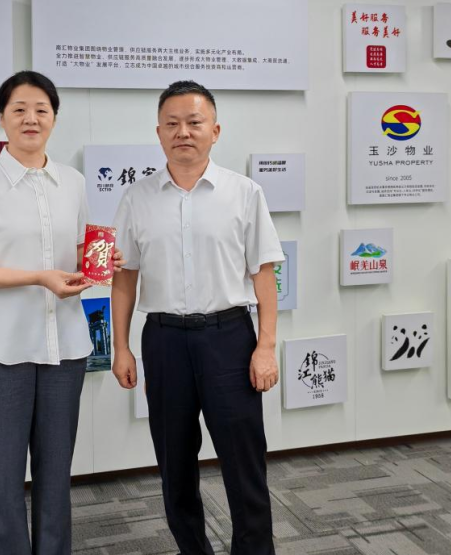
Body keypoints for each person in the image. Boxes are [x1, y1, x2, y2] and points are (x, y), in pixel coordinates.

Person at [0, 71, 122, 555]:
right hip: (1, 349)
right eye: (19, 109)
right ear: (2, 118)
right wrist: (39, 277)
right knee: (4, 477)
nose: (31, 118)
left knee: (55, 474)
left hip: (64, 347)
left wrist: (101, 261)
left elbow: (76, 253)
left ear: (54, 119)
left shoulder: (73, 182)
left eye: (41, 109)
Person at [111, 80, 283, 555]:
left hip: (229, 339)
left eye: (193, 122)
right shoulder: (136, 198)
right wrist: (121, 347)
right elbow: (124, 278)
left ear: (215, 130)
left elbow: (264, 275)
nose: (182, 132)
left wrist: (266, 347)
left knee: (244, 463)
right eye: (172, 124)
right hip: (164, 341)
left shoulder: (244, 193)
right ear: (159, 132)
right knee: (175, 464)